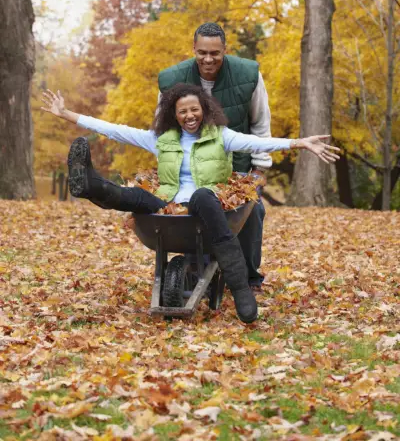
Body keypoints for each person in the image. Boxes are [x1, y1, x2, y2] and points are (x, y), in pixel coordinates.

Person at [41, 83, 340, 324]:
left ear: (204, 110)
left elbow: (257, 143)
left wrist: (298, 143)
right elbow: (115, 129)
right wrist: (67, 114)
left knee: (201, 195)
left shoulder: (221, 137)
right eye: (183, 111)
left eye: (194, 109)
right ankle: (92, 185)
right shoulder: (161, 139)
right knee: (136, 197)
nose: (189, 116)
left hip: (207, 204)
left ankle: (238, 286)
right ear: (174, 114)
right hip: (169, 205)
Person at [158, 22, 272, 291]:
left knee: (251, 212)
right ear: (194, 50)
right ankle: (196, 266)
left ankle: (247, 275)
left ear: (224, 51)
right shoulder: (173, 79)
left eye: (215, 53)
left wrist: (260, 169)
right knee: (189, 214)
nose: (208, 59)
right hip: (191, 166)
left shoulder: (247, 75)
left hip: (238, 166)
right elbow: (162, 128)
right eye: (202, 53)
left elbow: (261, 125)